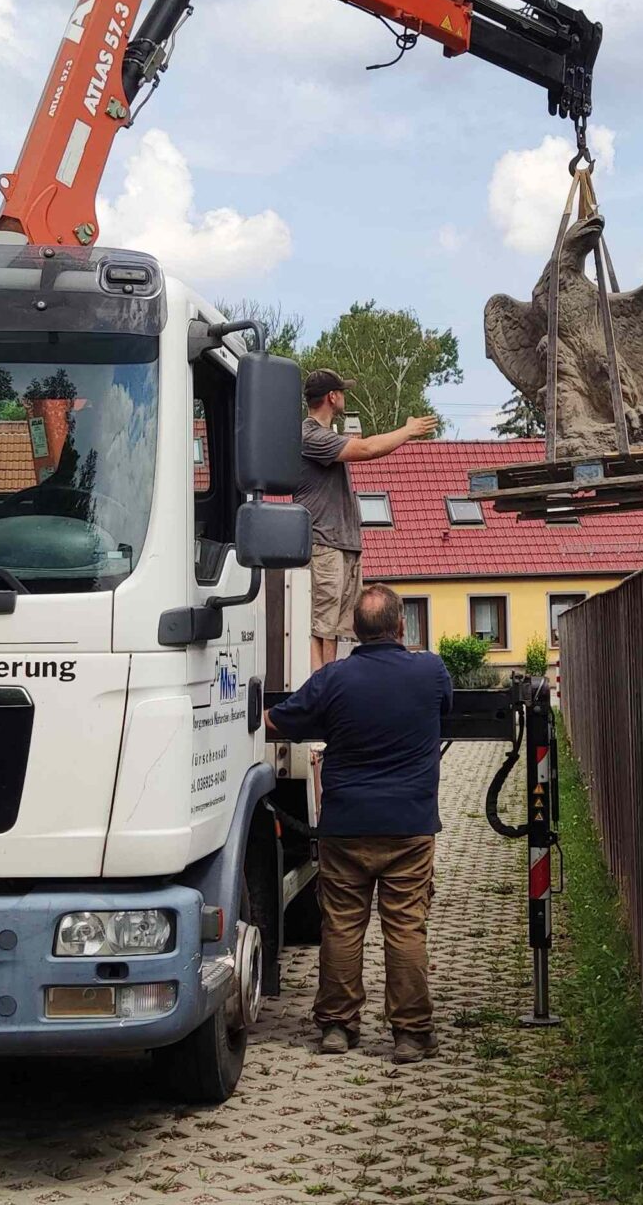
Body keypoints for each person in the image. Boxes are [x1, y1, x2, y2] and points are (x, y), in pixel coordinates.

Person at [263, 584, 452, 1063]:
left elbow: (279, 722)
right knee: (406, 927)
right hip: (409, 826)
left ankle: (337, 1028)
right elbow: (445, 710)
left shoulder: (334, 679)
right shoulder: (431, 671)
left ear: (353, 631)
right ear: (402, 625)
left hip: (345, 825)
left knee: (343, 927)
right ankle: (411, 1034)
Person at [289, 368, 433, 670]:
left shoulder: (326, 436)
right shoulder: (310, 435)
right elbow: (367, 448)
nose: (344, 396)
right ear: (332, 397)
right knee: (321, 626)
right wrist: (408, 430)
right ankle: (322, 691)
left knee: (340, 629)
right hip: (323, 544)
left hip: (343, 544)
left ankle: (336, 685)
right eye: (342, 391)